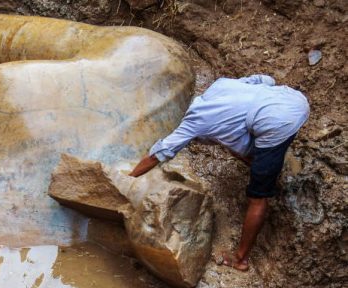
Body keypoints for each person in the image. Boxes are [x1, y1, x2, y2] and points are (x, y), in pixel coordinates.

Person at [128, 74, 309, 271]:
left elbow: (159, 153)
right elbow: (266, 80)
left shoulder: (194, 122)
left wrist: (127, 180)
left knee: (257, 198)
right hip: (294, 99)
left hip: (278, 122)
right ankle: (263, 165)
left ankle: (240, 260)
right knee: (237, 139)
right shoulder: (220, 86)